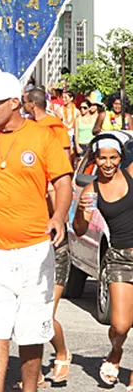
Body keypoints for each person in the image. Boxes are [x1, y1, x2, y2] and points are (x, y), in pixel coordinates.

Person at [0, 71, 73, 392]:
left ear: (14, 103)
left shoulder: (44, 136)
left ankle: (29, 388)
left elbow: (63, 181)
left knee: (31, 330)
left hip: (34, 249)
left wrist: (59, 216)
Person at [22, 89, 74, 385]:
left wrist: (59, 215)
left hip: (54, 241)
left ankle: (62, 353)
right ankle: (35, 372)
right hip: (27, 241)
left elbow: (61, 176)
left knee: (43, 312)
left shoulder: (51, 130)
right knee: (28, 313)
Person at [73, 135, 133, 387]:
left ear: (121, 158)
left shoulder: (131, 175)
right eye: (102, 158)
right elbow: (77, 230)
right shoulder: (92, 190)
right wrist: (81, 212)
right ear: (95, 159)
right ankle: (115, 352)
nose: (108, 164)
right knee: (120, 326)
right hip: (119, 258)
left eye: (113, 158)